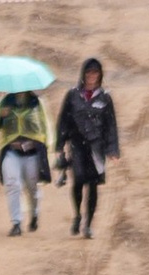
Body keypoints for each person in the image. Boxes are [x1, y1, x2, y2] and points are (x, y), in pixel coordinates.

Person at [56, 59, 119, 234]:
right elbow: (63, 121)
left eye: (95, 73)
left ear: (100, 75)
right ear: (83, 75)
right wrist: (59, 146)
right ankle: (77, 215)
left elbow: (110, 125)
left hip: (96, 148)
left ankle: (88, 225)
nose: (91, 76)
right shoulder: (73, 95)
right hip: (77, 145)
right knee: (78, 181)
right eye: (89, 73)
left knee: (92, 185)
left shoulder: (105, 97)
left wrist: (112, 150)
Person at [0, 80, 55, 235]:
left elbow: (47, 128)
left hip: (32, 153)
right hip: (11, 151)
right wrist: (1, 116)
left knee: (32, 187)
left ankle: (34, 213)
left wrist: (49, 148)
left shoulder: (38, 104)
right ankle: (16, 223)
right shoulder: (4, 103)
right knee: (12, 185)